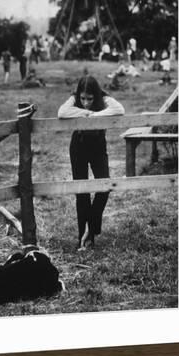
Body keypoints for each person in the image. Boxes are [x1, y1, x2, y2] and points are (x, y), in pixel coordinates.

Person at [58, 76, 125, 250]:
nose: (86, 102)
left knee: (105, 186)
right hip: (78, 145)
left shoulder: (104, 98)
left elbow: (120, 109)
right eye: (83, 99)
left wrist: (95, 115)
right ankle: (84, 239)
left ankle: (91, 227)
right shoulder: (74, 97)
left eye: (90, 99)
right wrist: (83, 112)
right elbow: (62, 112)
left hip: (97, 145)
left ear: (95, 95)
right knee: (82, 192)